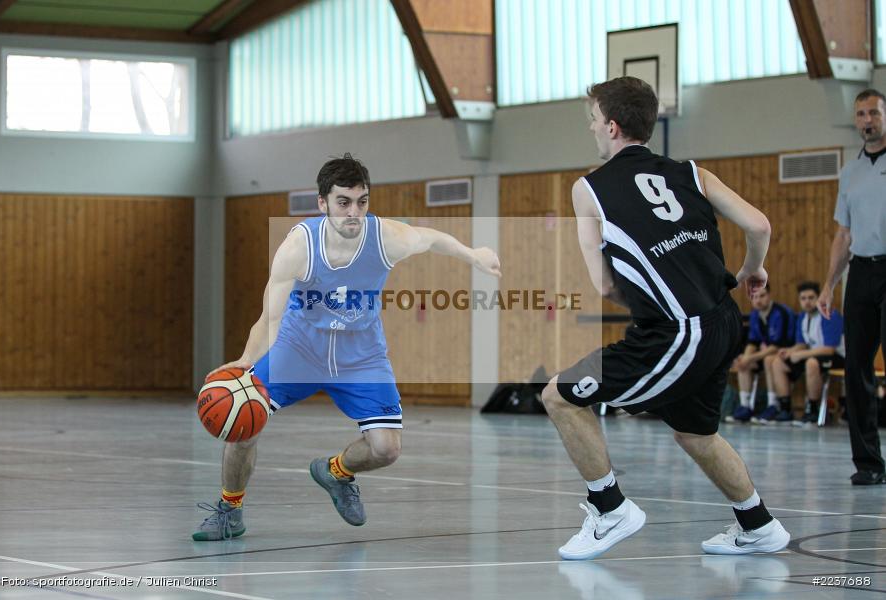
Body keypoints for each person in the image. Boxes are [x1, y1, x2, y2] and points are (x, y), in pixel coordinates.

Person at [539, 77, 790, 560]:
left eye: (592, 120)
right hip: (722, 321)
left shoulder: (588, 189)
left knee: (560, 396)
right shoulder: (692, 172)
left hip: (676, 331)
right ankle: (758, 525)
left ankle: (610, 509)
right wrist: (753, 267)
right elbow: (759, 224)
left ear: (611, 127)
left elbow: (606, 285)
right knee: (696, 432)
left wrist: (652, 302)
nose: (591, 129)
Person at [193, 154, 501, 540]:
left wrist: (475, 256)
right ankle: (230, 509)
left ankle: (336, 472)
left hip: (362, 355)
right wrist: (244, 362)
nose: (354, 212)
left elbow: (432, 238)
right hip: (299, 349)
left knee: (386, 449)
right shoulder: (298, 247)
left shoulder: (387, 237)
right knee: (243, 422)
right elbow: (270, 317)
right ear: (322, 203)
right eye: (343, 202)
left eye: (362, 201)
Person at [819, 88, 886, 485]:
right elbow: (843, 234)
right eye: (860, 114)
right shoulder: (850, 171)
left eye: (873, 112)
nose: (867, 120)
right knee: (857, 366)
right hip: (861, 272)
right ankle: (869, 462)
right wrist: (829, 283)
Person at [769, 282, 845, 426]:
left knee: (811, 363)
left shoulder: (830, 315)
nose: (807, 302)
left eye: (811, 298)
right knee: (777, 362)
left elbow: (829, 349)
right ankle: (785, 409)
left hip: (838, 357)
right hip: (813, 354)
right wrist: (790, 351)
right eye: (803, 298)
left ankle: (813, 410)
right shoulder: (803, 317)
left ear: (818, 298)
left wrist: (801, 355)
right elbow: (801, 344)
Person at [727, 285, 794, 423]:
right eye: (754, 297)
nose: (758, 300)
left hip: (783, 354)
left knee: (769, 359)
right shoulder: (755, 315)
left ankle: (773, 405)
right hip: (764, 354)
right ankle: (745, 406)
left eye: (762, 296)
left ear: (769, 295)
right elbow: (752, 342)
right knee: (742, 362)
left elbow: (777, 346)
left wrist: (750, 357)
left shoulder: (780, 313)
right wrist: (745, 358)